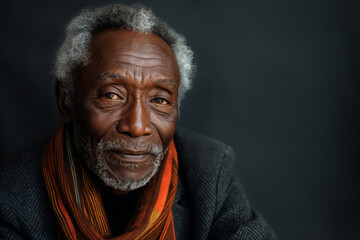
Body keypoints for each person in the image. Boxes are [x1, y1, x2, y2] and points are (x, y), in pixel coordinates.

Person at [0, 4, 277, 240]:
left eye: (159, 100)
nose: (137, 126)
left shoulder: (209, 171)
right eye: (111, 95)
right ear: (65, 100)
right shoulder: (12, 196)